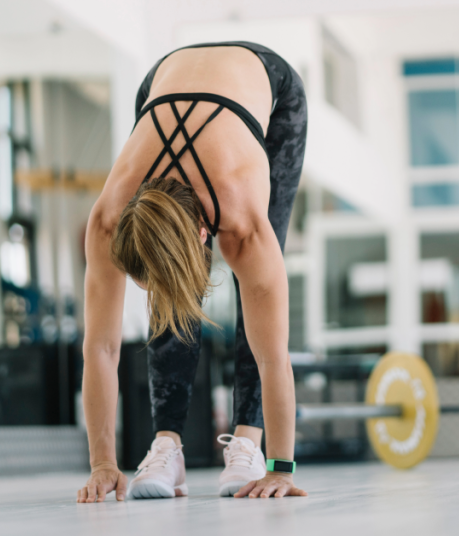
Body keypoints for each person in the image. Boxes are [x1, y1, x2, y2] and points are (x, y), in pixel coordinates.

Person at [77, 42, 308, 503]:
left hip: (270, 89)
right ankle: (167, 444)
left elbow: (274, 357)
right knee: (170, 281)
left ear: (205, 233)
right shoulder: (108, 219)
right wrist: (103, 463)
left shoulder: (241, 224)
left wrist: (282, 468)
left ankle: (248, 442)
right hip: (161, 82)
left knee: (261, 303)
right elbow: (100, 348)